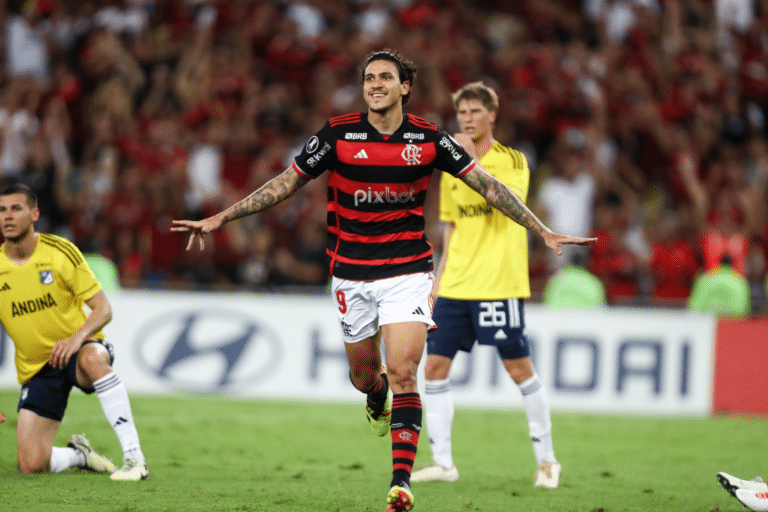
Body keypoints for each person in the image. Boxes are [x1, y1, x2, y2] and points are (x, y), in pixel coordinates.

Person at [172, 50, 595, 512]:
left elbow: (488, 186)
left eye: (385, 77)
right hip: (350, 273)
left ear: (404, 87)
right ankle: (376, 399)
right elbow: (286, 182)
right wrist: (223, 217)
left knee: (404, 373)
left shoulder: (428, 138)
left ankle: (400, 484)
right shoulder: (338, 133)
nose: (375, 84)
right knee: (365, 377)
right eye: (369, 78)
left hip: (407, 271)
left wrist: (541, 229)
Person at [409, 82, 562, 489]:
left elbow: (503, 200)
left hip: (497, 283)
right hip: (456, 285)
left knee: (518, 369)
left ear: (492, 115)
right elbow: (451, 226)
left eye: (475, 111)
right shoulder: (450, 167)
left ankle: (547, 461)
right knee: (434, 367)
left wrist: (469, 157)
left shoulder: (512, 160)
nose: (467, 119)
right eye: (462, 113)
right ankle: (443, 462)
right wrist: (437, 280)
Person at [0, 183, 148, 480]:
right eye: (2, 210)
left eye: (16, 208)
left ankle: (135, 459)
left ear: (34, 214)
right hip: (37, 368)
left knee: (94, 358)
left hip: (77, 350)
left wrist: (76, 339)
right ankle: (79, 454)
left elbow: (103, 308)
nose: (8, 216)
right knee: (31, 464)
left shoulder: (59, 252)